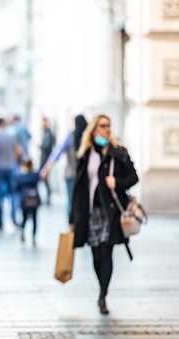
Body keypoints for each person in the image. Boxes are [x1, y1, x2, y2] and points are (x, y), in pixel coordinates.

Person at [69, 114, 138, 315]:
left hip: (111, 212)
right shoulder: (84, 154)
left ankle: (102, 295)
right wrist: (73, 216)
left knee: (106, 252)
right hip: (90, 212)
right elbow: (78, 188)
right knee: (96, 254)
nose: (107, 129)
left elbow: (134, 177)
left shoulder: (119, 152)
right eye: (102, 126)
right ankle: (102, 288)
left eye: (109, 125)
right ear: (93, 129)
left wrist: (118, 182)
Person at [40, 114, 88, 215]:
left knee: (71, 201)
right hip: (85, 175)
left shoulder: (70, 137)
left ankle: (71, 226)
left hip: (72, 174)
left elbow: (56, 154)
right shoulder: (88, 137)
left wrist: (46, 169)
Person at [0, 117, 22, 230]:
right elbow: (18, 151)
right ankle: (13, 217)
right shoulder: (11, 136)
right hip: (11, 167)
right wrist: (13, 161)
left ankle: (0, 222)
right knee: (13, 194)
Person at [16, 159, 41, 246]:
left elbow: (17, 188)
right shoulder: (35, 175)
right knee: (34, 218)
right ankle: (33, 236)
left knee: (25, 218)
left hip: (25, 199)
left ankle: (22, 230)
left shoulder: (21, 176)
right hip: (34, 199)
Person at [39, 118, 54, 205]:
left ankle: (48, 198)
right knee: (44, 180)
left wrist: (40, 146)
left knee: (45, 179)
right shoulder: (45, 133)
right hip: (45, 159)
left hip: (46, 160)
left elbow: (46, 146)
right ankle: (47, 197)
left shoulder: (48, 133)